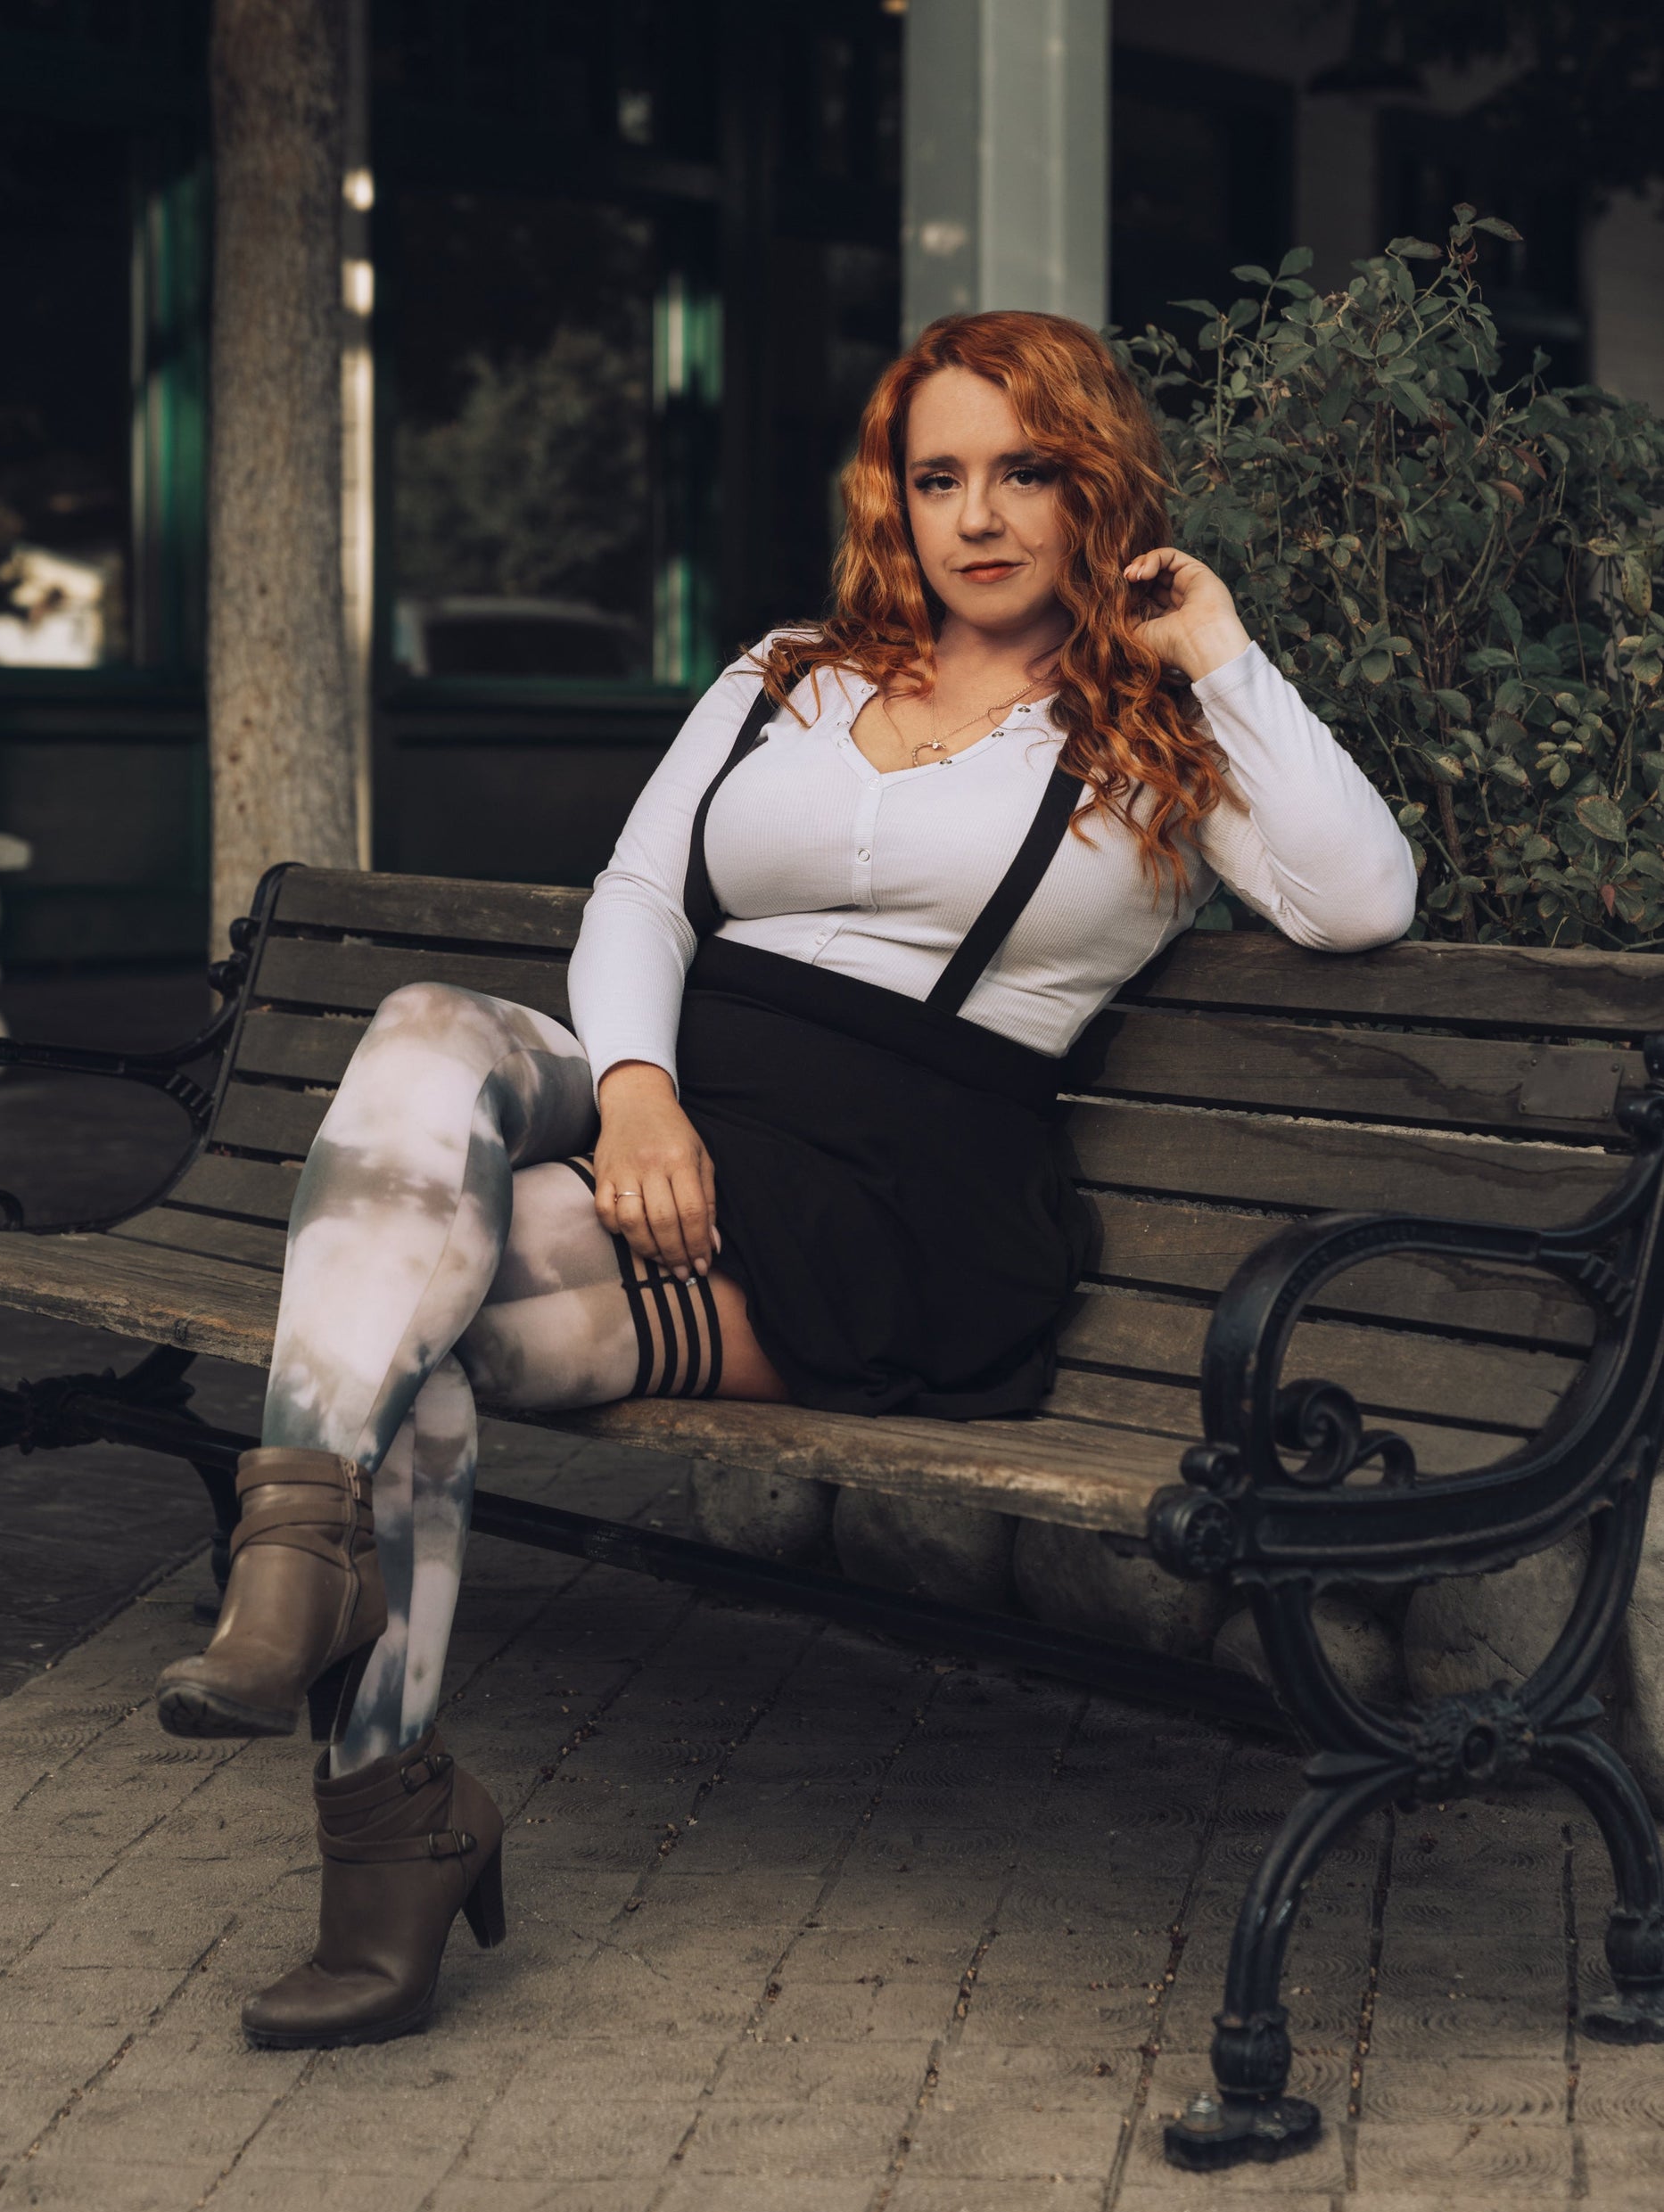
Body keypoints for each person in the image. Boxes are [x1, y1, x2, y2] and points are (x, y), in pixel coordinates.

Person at [153, 310, 1417, 2049]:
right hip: (684, 1114)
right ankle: (326, 1617)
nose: (978, 516)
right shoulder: (788, 673)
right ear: (893, 497)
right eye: (938, 476)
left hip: (898, 1196)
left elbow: (1359, 900)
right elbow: (640, 896)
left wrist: (1216, 645)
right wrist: (637, 1096)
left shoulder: (1154, 729)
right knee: (428, 1035)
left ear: (1095, 487)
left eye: (1024, 473)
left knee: (410, 1324)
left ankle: (366, 1761)